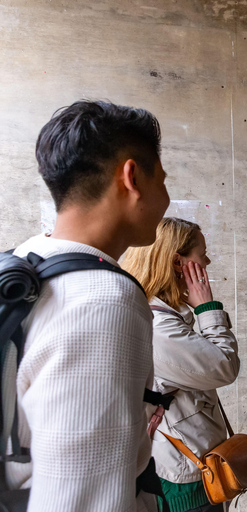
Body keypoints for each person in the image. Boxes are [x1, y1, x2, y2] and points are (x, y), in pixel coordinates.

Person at [4, 101, 170, 510]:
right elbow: (81, 498)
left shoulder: (28, 260)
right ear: (132, 177)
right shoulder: (103, 301)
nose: (166, 197)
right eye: (162, 179)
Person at [122, 218, 239, 512]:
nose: (208, 260)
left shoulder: (162, 311)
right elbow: (224, 367)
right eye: (202, 253)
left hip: (191, 458)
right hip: (184, 472)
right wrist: (207, 309)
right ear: (178, 262)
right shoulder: (157, 325)